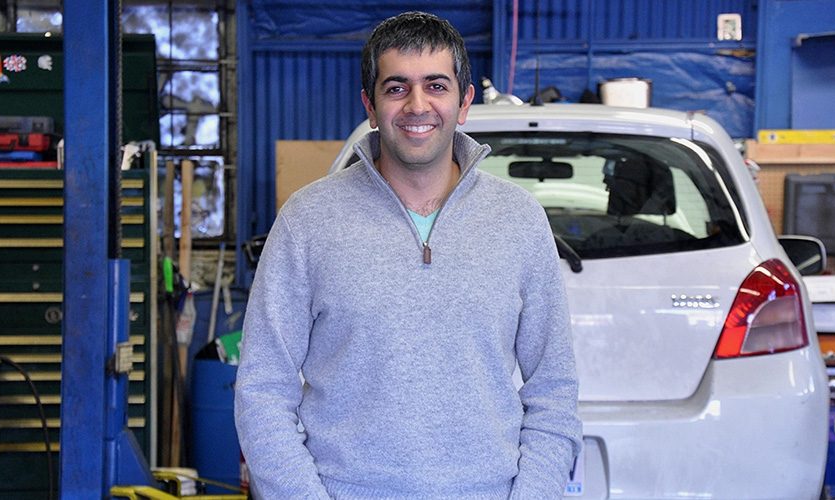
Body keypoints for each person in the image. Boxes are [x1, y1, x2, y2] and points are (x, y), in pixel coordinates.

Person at [235, 11, 581, 499]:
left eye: (436, 86)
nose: (417, 105)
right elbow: (262, 390)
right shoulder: (308, 221)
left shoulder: (519, 221)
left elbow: (554, 391)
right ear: (370, 107)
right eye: (396, 88)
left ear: (464, 103)